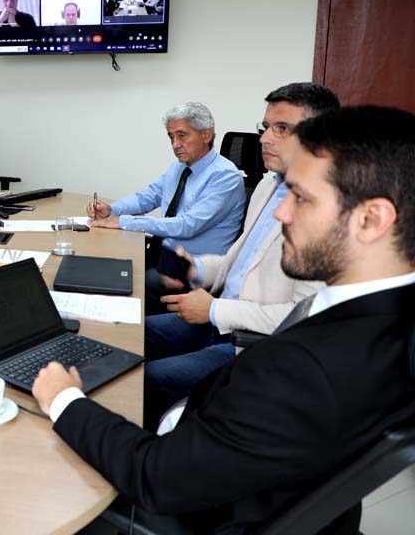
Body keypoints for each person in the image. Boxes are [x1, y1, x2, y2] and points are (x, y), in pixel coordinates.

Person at [33, 105, 415, 534]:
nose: (280, 212)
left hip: (189, 503)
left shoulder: (305, 369)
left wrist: (64, 401)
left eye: (301, 197)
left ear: (372, 219)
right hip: (234, 463)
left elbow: (156, 477)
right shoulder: (383, 322)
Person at [144, 83, 339, 422]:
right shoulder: (268, 185)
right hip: (216, 317)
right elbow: (237, 262)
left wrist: (217, 309)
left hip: (251, 344)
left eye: (282, 129)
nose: (264, 139)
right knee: (129, 332)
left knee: (145, 379)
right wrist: (197, 270)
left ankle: (152, 458)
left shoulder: (329, 212)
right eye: (265, 128)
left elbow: (304, 318)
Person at [88, 102, 246, 311]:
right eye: (171, 137)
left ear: (206, 135)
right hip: (163, 255)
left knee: (121, 286)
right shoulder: (180, 167)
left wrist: (125, 222)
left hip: (192, 269)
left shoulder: (225, 176)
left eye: (182, 135)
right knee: (101, 270)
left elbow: (188, 225)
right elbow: (149, 196)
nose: (175, 144)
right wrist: (112, 210)